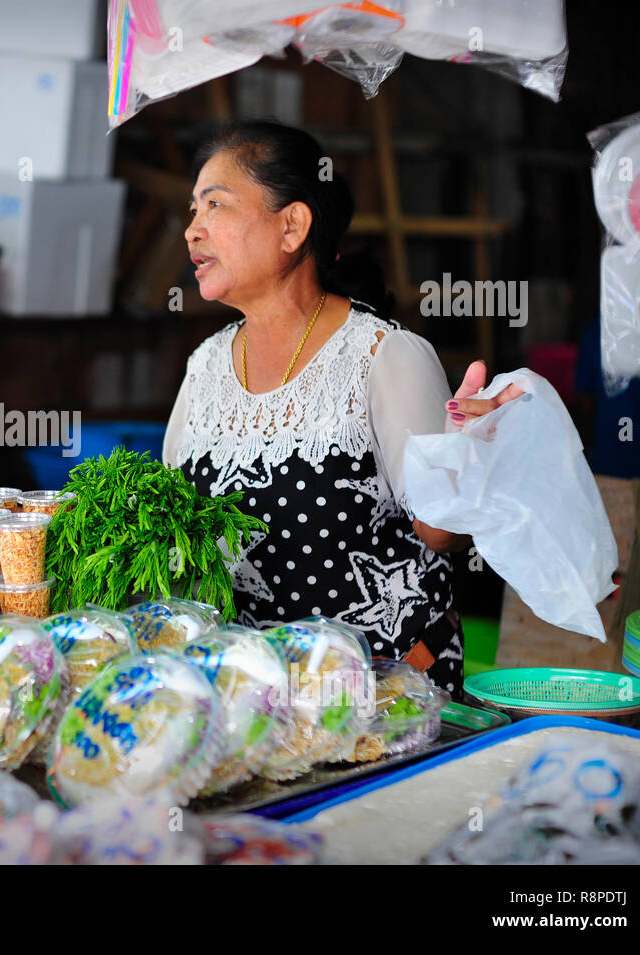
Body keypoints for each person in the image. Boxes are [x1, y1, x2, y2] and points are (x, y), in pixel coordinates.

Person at [164, 121, 521, 695]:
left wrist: (470, 460)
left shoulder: (385, 356)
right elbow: (170, 525)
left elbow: (441, 535)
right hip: (248, 709)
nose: (192, 231)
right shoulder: (205, 366)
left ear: (292, 226)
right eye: (192, 211)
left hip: (382, 704)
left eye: (215, 207)